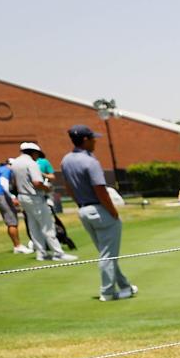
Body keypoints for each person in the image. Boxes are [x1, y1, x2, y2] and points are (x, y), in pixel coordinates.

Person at [61, 124, 136, 301]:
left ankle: (124, 285)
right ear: (85, 140)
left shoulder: (66, 161)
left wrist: (80, 204)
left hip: (83, 210)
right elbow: (100, 190)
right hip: (99, 210)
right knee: (108, 255)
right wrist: (113, 211)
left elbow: (68, 188)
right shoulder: (91, 161)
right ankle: (107, 292)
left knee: (106, 252)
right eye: (92, 138)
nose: (95, 141)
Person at [11, 142, 73, 261]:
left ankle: (41, 253)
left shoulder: (15, 163)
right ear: (33, 152)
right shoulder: (31, 163)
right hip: (35, 197)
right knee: (47, 226)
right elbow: (37, 183)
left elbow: (14, 183)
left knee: (33, 227)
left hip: (23, 197)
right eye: (37, 154)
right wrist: (47, 189)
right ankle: (58, 253)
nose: (37, 157)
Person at [0, 158, 30, 254]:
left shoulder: (0, 169)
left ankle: (17, 245)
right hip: (3, 197)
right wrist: (13, 197)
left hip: (0, 196)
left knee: (11, 221)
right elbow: (4, 184)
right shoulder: (6, 170)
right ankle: (18, 246)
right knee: (12, 222)